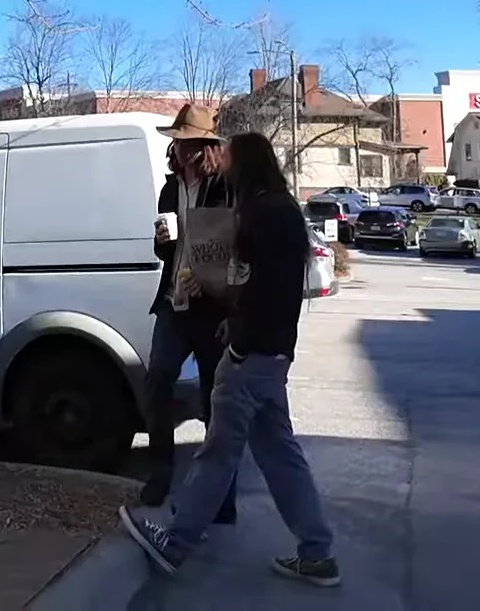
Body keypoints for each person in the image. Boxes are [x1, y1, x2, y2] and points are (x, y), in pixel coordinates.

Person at [120, 131, 340, 588]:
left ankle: (175, 543)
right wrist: (239, 321)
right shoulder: (278, 209)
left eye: (232, 159)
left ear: (245, 165)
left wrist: (238, 341)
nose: (226, 165)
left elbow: (263, 288)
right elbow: (266, 286)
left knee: (219, 449)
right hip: (272, 351)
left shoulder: (262, 213)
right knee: (280, 454)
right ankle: (317, 552)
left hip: (253, 353)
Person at [140, 104, 237, 524]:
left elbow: (235, 248)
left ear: (202, 147)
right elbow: (164, 250)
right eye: (175, 143)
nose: (175, 150)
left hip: (213, 305)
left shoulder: (225, 187)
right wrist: (162, 240)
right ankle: (160, 471)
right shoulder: (169, 189)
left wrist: (221, 290)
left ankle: (222, 494)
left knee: (216, 398)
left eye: (183, 143)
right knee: (158, 376)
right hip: (174, 301)